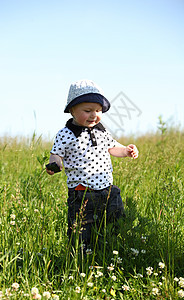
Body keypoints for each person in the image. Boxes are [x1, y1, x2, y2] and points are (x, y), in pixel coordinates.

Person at [46, 79, 139, 252]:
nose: (94, 115)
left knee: (116, 220)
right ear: (72, 110)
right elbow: (56, 153)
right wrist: (55, 164)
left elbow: (112, 147)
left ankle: (111, 249)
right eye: (87, 110)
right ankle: (81, 255)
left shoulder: (101, 129)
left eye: (98, 110)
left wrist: (125, 150)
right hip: (82, 191)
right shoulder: (65, 134)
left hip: (107, 189)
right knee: (82, 228)